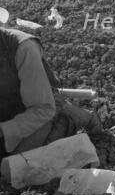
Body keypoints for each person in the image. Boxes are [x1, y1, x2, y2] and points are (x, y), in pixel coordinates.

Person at [0, 26, 102, 159]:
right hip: (7, 112)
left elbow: (43, 109)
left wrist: (3, 130)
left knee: (16, 164)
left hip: (39, 112)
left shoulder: (23, 48)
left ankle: (71, 116)